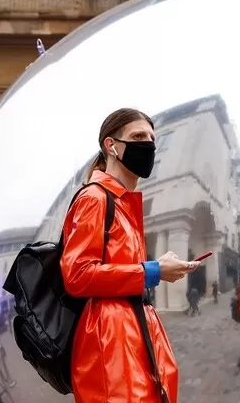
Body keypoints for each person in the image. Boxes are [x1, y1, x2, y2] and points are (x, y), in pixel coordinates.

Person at [61, 108, 198, 403]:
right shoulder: (95, 198)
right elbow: (77, 275)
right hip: (111, 342)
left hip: (133, 332)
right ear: (111, 146)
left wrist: (157, 269)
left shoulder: (122, 204)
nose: (148, 144)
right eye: (138, 136)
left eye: (151, 138)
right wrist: (154, 271)